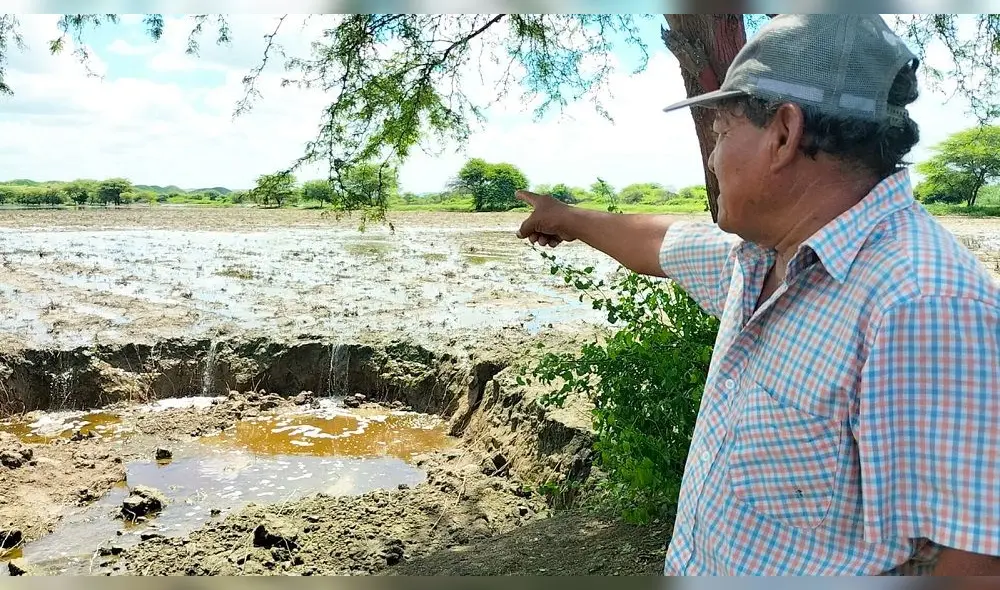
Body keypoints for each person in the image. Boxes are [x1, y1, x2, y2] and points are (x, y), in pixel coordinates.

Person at [515, 14, 999, 576]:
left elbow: (973, 567)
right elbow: (657, 242)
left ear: (784, 133)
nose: (713, 158)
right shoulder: (762, 260)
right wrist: (565, 217)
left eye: (722, 133)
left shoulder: (923, 305)